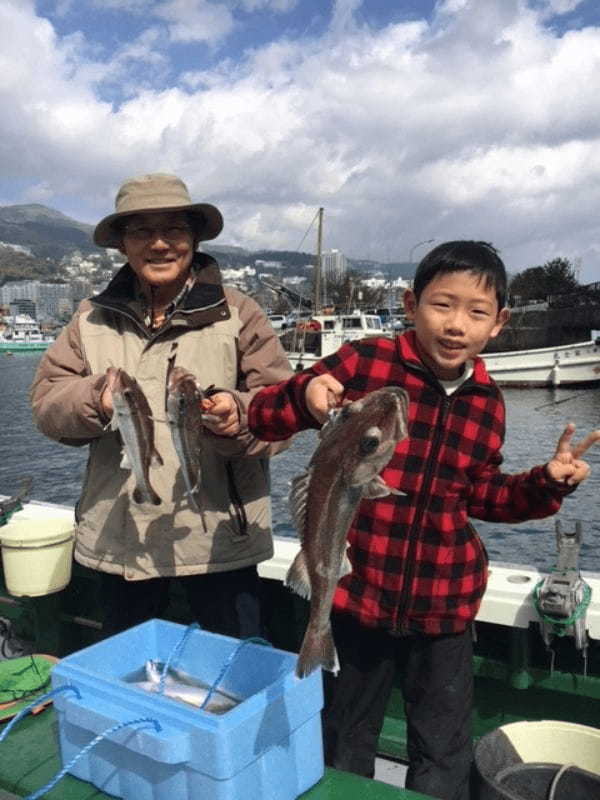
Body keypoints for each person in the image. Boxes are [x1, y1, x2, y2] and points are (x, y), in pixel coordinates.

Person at [246, 240, 600, 800]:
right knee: (342, 740)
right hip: (357, 598)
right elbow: (265, 417)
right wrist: (305, 391)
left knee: (442, 755)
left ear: (498, 323)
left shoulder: (488, 400)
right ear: (411, 305)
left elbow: (483, 494)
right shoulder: (364, 362)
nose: (457, 324)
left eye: (476, 312)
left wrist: (545, 484)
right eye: (442, 305)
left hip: (444, 607)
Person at [30, 172, 292, 640]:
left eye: (173, 230)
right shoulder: (89, 317)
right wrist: (94, 399)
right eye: (141, 231)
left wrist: (239, 416)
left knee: (229, 673)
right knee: (127, 670)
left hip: (219, 537)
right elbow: (48, 404)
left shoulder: (240, 312)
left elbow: (284, 409)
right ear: (122, 246)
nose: (159, 244)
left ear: (193, 238)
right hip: (120, 531)